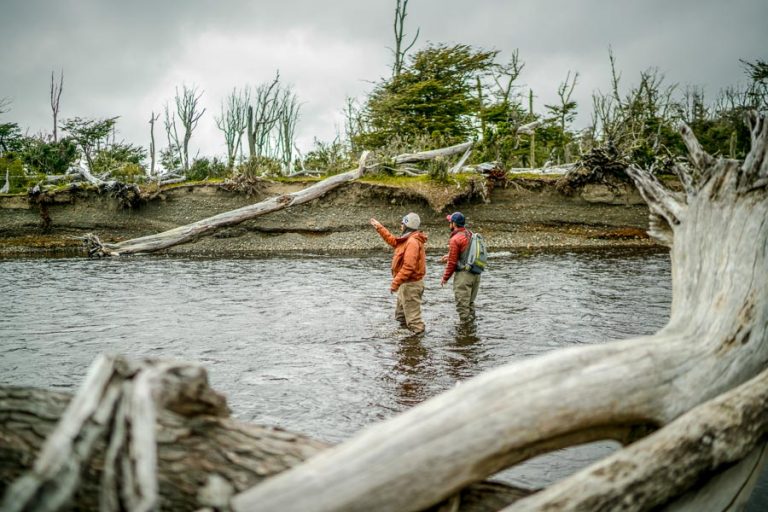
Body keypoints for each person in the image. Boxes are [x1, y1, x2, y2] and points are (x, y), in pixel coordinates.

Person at [370, 213, 428, 334]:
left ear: (408, 225)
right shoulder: (407, 239)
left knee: (414, 322)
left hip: (410, 285)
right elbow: (392, 241)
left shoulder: (412, 241)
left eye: (403, 223)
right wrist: (380, 228)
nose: (401, 225)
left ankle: (416, 349)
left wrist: (395, 283)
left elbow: (409, 266)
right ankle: (405, 342)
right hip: (405, 284)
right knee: (401, 317)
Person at [440, 211, 480, 323]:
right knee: (470, 304)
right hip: (475, 274)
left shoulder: (455, 239)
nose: (449, 224)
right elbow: (466, 255)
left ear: (454, 224)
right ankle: (472, 332)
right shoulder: (470, 234)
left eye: (450, 222)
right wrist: (449, 256)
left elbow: (452, 263)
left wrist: (445, 278)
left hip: (464, 277)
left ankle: (465, 335)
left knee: (462, 308)